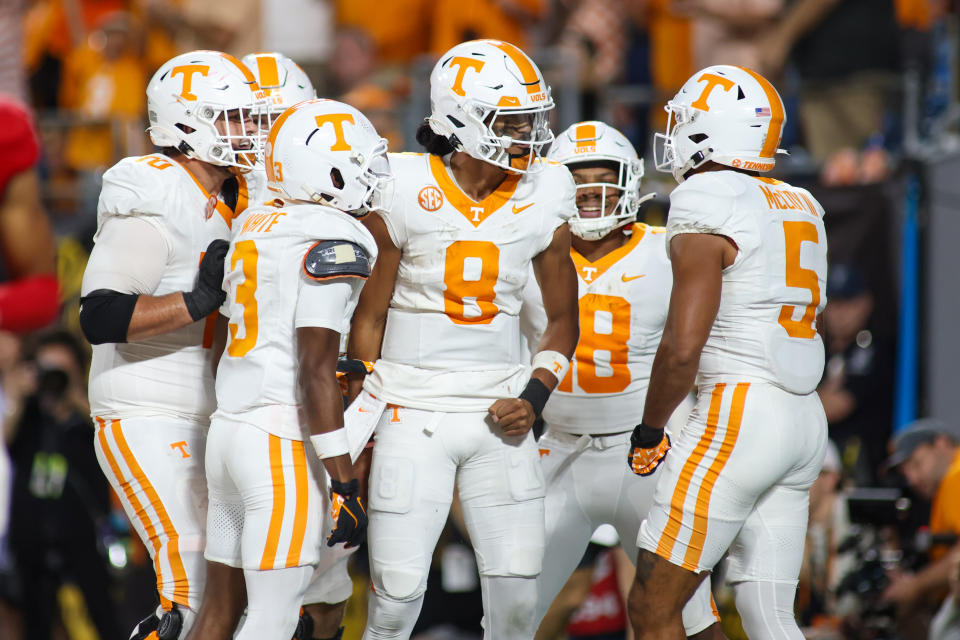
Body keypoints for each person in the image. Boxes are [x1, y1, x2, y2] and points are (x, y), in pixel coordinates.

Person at [347, 39, 579, 640]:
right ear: (460, 120)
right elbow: (367, 320)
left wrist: (535, 397)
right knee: (395, 601)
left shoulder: (546, 191)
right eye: (512, 120)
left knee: (519, 596)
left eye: (535, 117)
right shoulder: (399, 184)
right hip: (409, 407)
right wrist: (361, 422)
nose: (530, 134)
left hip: (499, 408)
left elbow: (561, 319)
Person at [626, 64, 829, 640]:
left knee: (653, 606)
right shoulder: (801, 202)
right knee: (770, 616)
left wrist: (650, 429)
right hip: (802, 416)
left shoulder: (707, 193)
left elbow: (683, 345)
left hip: (738, 413)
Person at [184, 98, 389, 640]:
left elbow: (233, 341)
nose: (372, 175)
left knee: (217, 612)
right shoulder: (336, 237)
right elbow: (314, 369)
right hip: (277, 443)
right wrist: (344, 482)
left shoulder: (254, 224)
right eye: (361, 162)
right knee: (273, 618)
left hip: (229, 432)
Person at [78, 49, 264, 640]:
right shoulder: (154, 191)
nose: (248, 131)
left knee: (239, 587)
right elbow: (100, 313)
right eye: (232, 117)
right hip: (146, 406)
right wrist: (193, 302)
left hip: (217, 410)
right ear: (187, 123)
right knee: (192, 576)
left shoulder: (238, 196)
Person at [522, 120, 721, 639]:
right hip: (558, 451)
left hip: (645, 453)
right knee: (510, 614)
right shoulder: (524, 251)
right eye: (576, 177)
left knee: (688, 616)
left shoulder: (668, 251)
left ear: (629, 180)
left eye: (601, 175)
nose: (589, 189)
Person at [6, 330, 121, 640]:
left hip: (83, 535)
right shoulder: (28, 414)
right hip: (31, 536)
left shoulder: (87, 418)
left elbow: (108, 436)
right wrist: (18, 393)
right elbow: (6, 440)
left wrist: (74, 396)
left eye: (62, 371)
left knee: (105, 617)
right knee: (37, 625)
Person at [883, 419, 960, 616]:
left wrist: (915, 586)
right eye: (905, 472)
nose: (912, 479)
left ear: (941, 444)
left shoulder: (955, 476)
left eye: (917, 464)